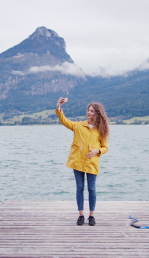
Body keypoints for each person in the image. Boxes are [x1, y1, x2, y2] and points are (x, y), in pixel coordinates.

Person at [56, 97, 109, 226]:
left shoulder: (100, 130)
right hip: (78, 162)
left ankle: (91, 216)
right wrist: (58, 106)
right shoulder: (78, 125)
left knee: (92, 189)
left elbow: (105, 147)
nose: (88, 112)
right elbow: (64, 121)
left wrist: (98, 151)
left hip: (92, 162)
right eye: (88, 110)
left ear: (97, 113)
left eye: (91, 111)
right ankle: (81, 215)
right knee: (80, 188)